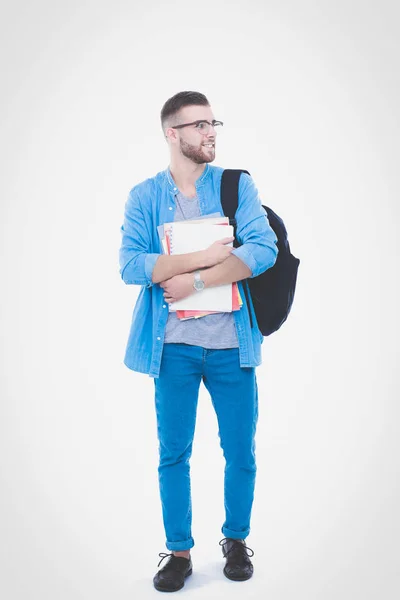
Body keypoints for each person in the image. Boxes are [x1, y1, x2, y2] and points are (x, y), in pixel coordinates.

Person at [119, 91, 279, 592]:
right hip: (173, 348)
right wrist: (205, 255)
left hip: (233, 344)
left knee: (241, 451)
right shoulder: (144, 197)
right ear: (173, 134)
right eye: (199, 125)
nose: (211, 132)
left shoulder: (236, 187)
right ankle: (180, 552)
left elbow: (263, 249)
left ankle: (234, 540)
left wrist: (194, 280)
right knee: (173, 453)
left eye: (214, 123)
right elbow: (131, 265)